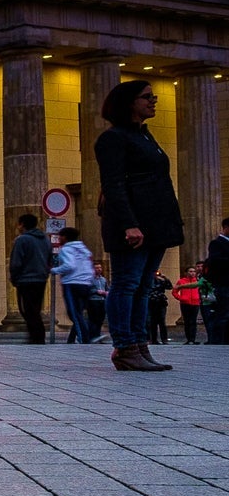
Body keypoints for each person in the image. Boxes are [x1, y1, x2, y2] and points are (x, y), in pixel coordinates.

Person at [96, 77, 183, 372]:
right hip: (132, 225)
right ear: (129, 103)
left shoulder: (145, 136)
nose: (153, 100)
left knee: (143, 287)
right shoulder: (113, 138)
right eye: (147, 96)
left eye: (153, 95)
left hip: (155, 223)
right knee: (127, 284)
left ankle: (139, 344)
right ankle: (125, 346)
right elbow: (113, 185)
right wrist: (129, 224)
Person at [8, 213, 53, 344]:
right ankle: (37, 336)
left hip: (25, 280)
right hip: (41, 279)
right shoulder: (45, 240)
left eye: (19, 224)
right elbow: (50, 258)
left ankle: (36, 337)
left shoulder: (22, 240)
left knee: (27, 310)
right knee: (36, 309)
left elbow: (16, 262)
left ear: (22, 224)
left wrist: (14, 278)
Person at [55, 231, 100, 344]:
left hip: (71, 283)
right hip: (85, 284)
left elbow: (69, 265)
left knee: (73, 313)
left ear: (65, 237)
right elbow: (90, 267)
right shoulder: (84, 250)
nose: (58, 239)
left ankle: (85, 338)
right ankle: (84, 337)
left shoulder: (66, 249)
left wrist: (54, 270)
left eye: (59, 236)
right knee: (79, 312)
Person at [205, 218, 229, 345]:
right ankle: (217, 342)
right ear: (226, 228)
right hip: (223, 285)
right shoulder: (217, 243)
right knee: (222, 315)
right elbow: (215, 262)